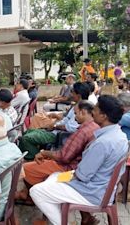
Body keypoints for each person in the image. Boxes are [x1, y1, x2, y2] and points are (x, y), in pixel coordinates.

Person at [30, 95, 128, 225]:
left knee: (36, 191)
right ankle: (64, 217)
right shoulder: (119, 135)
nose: (93, 111)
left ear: (104, 116)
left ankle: (62, 222)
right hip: (100, 186)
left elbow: (83, 175)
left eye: (96, 109)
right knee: (54, 176)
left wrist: (71, 175)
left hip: (91, 191)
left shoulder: (103, 143)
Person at [16, 101, 100, 203]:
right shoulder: (95, 127)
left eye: (76, 113)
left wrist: (44, 153)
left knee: (25, 169)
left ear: (83, 112)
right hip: (75, 165)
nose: (74, 117)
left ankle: (32, 198)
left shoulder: (83, 132)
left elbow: (64, 157)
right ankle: (30, 192)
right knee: (39, 162)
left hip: (69, 170)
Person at [19, 82, 90, 160]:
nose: (70, 94)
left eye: (72, 92)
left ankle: (35, 158)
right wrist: (54, 124)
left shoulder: (81, 110)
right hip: (55, 130)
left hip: (58, 134)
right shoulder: (76, 105)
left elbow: (71, 127)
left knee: (26, 138)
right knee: (27, 132)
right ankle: (26, 155)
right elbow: (66, 119)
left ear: (78, 95)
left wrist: (54, 126)